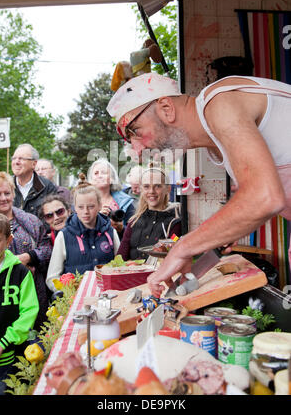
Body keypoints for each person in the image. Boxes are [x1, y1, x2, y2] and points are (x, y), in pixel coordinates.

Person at [107, 72, 291, 297]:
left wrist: (185, 246)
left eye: (135, 132)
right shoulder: (214, 144)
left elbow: (264, 197)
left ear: (166, 108)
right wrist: (206, 248)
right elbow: (257, 203)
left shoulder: (220, 103)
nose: (137, 150)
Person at [0, 171, 52, 330]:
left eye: (7, 193)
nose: (4, 198)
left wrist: (28, 257)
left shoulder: (30, 221)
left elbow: (47, 249)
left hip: (34, 297)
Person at [0, 213, 39, 396]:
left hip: (5, 358)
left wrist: (1, 344)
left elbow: (28, 313)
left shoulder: (20, 273)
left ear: (9, 240)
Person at [46, 177, 120, 293]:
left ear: (100, 206)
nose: (85, 211)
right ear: (74, 207)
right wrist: (69, 290)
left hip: (108, 297)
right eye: (80, 207)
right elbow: (52, 278)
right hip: (77, 300)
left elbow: (122, 268)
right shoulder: (64, 236)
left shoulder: (110, 232)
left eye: (91, 206)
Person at [117, 165, 181, 261]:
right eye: (146, 186)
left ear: (168, 189)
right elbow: (120, 258)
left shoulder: (175, 223)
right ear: (141, 189)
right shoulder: (133, 222)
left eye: (158, 186)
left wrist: (171, 243)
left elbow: (174, 242)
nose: (151, 191)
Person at [88, 158, 135, 239]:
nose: (99, 175)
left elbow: (135, 233)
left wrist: (121, 229)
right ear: (91, 180)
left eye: (104, 173)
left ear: (112, 179)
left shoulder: (125, 202)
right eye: (96, 173)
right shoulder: (84, 203)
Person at [12, 144, 58, 218]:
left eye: (21, 158)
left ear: (34, 164)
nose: (16, 162)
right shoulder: (5, 186)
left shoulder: (47, 187)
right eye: (14, 158)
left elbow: (53, 218)